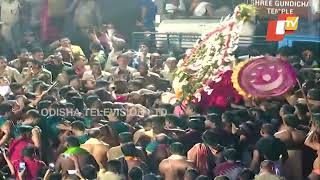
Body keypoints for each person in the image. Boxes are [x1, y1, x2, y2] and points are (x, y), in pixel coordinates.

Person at [274, 114, 306, 180]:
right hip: (299, 154)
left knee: (286, 174)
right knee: (297, 174)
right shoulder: (302, 133)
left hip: (285, 155)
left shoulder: (278, 135)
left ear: (285, 122)